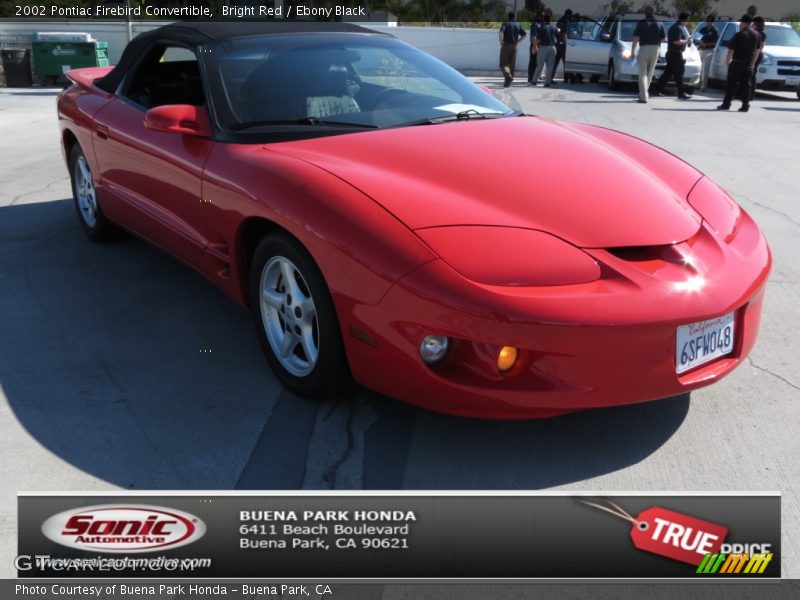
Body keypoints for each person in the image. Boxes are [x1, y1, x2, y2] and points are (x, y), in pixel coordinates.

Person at [717, 14, 760, 112]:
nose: (740, 24)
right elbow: (757, 51)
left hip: (737, 63)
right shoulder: (756, 35)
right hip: (748, 64)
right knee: (746, 85)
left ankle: (726, 104)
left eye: (741, 22)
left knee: (731, 85)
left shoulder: (739, 35)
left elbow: (731, 50)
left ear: (743, 22)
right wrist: (752, 63)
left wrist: (728, 62)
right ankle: (745, 105)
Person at [629, 7, 666, 103]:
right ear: (654, 13)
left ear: (645, 14)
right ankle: (644, 93)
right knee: (650, 72)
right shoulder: (659, 23)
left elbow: (636, 38)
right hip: (656, 48)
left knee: (642, 73)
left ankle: (643, 96)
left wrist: (632, 51)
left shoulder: (641, 23)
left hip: (644, 48)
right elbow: (663, 38)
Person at [654, 12, 693, 100]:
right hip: (675, 53)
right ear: (684, 19)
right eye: (687, 20)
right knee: (679, 74)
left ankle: (657, 90)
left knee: (667, 74)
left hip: (672, 53)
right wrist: (687, 41)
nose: (687, 22)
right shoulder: (678, 28)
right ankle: (681, 93)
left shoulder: (676, 27)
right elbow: (676, 41)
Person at [499, 12, 526, 87]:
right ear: (515, 17)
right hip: (514, 46)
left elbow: (501, 32)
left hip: (506, 45)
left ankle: (508, 77)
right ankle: (508, 82)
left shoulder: (506, 23)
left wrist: (501, 42)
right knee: (511, 64)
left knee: (503, 64)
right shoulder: (518, 24)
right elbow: (524, 35)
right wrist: (517, 42)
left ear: (509, 17)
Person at [532, 13, 559, 87]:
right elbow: (558, 33)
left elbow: (537, 39)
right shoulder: (553, 27)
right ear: (550, 20)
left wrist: (534, 47)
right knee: (550, 66)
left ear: (544, 20)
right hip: (553, 48)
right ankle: (547, 82)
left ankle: (534, 80)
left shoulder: (542, 28)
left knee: (540, 64)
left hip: (544, 47)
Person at [697, 14, 720, 91]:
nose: (708, 22)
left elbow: (714, 43)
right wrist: (700, 42)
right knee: (699, 67)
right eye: (708, 21)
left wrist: (705, 44)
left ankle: (704, 85)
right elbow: (697, 38)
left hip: (709, 50)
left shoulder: (715, 31)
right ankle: (698, 83)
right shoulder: (703, 29)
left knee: (705, 68)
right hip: (701, 50)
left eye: (710, 21)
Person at [553, 9, 573, 83]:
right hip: (563, 45)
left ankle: (550, 77)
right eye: (570, 14)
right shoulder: (566, 21)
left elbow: (557, 31)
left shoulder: (560, 20)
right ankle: (567, 79)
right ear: (568, 14)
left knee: (556, 62)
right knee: (566, 63)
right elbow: (564, 33)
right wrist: (566, 43)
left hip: (558, 44)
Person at [750, 16, 766, 101]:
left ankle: (750, 95)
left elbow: (761, 46)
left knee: (752, 74)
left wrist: (754, 52)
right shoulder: (759, 33)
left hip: (756, 54)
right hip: (756, 53)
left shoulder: (759, 33)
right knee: (750, 74)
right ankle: (747, 94)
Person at [528, 11, 544, 84]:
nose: (542, 17)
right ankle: (530, 79)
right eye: (541, 16)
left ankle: (534, 78)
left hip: (539, 46)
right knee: (533, 63)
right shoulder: (535, 24)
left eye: (543, 16)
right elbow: (533, 36)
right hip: (535, 45)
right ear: (537, 16)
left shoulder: (541, 24)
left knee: (537, 63)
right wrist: (535, 46)